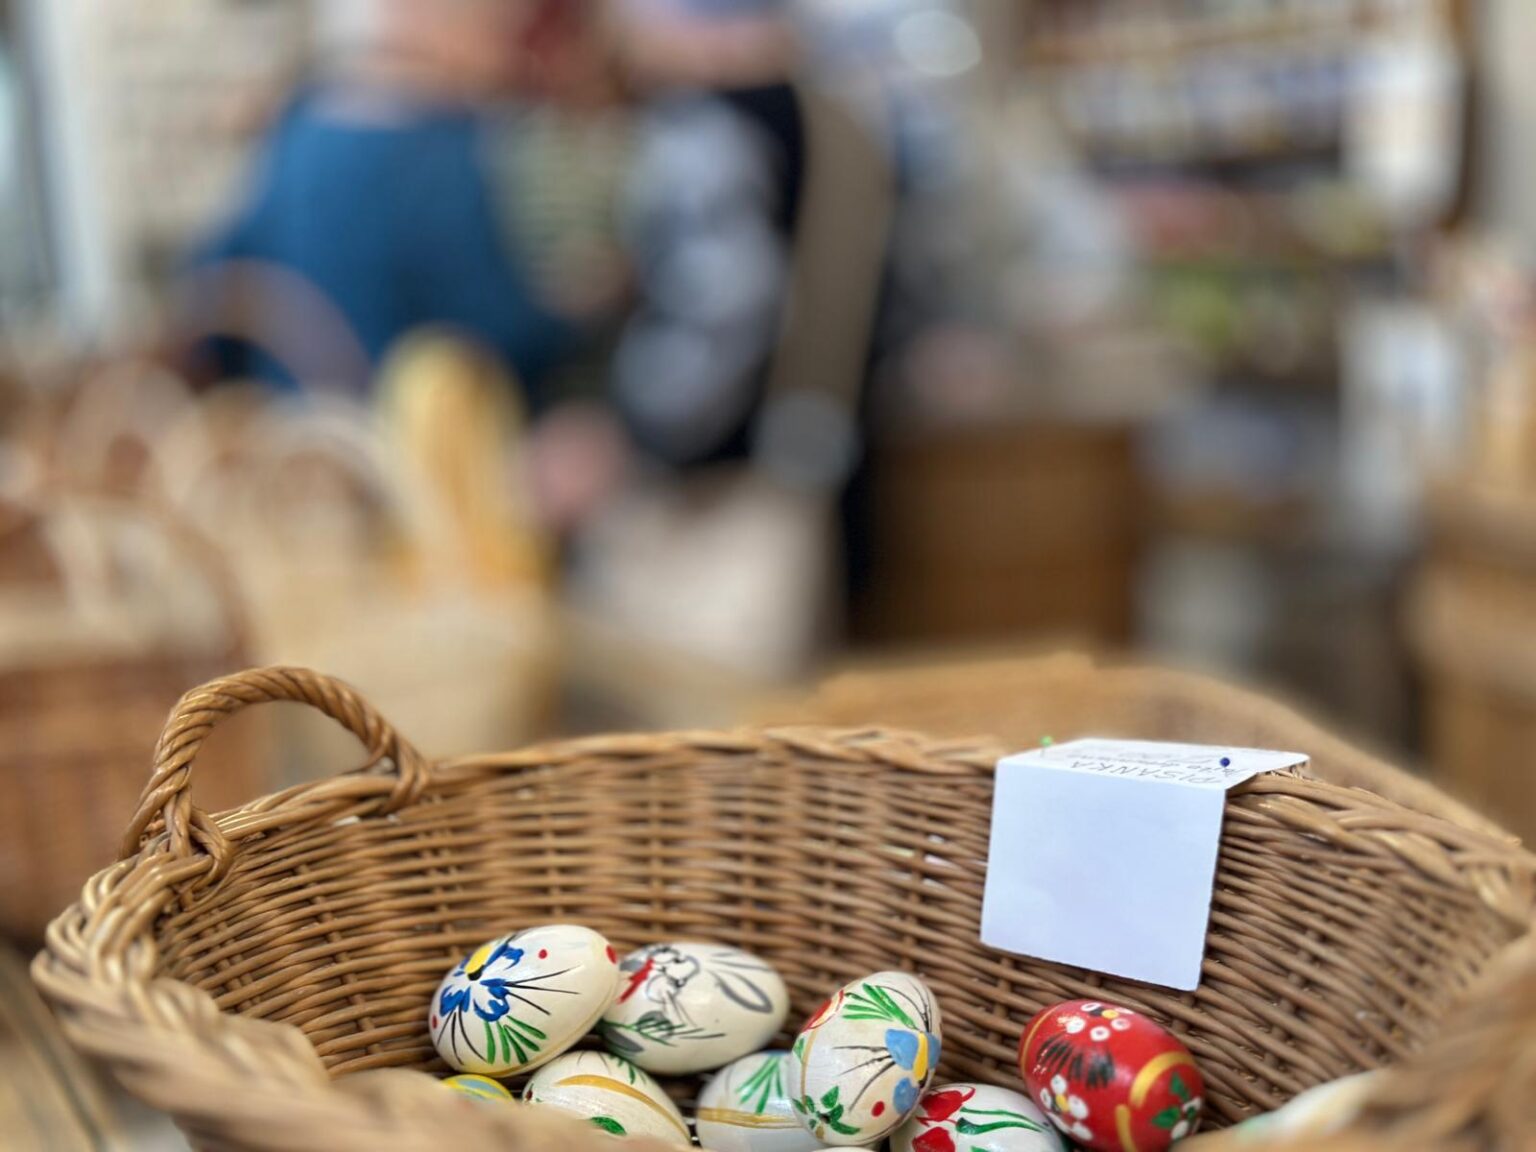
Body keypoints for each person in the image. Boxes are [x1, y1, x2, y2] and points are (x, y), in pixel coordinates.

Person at [183, 0, 595, 402]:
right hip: (397, 429)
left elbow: (217, 278)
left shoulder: (304, 124)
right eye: (499, 31)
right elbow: (495, 331)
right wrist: (576, 316)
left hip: (295, 426)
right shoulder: (443, 146)